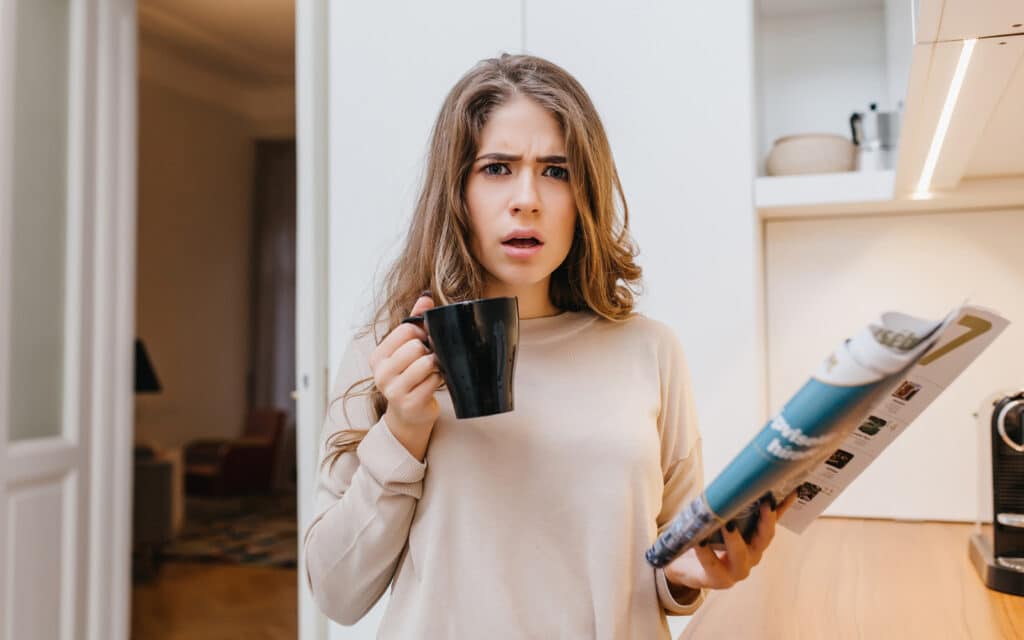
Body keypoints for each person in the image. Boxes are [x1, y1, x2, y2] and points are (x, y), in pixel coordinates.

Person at [303, 53, 793, 639]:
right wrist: (403, 430)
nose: (527, 198)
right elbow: (337, 592)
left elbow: (666, 559)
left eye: (556, 171)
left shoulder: (650, 351)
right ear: (455, 191)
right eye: (497, 168)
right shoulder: (390, 354)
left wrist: (690, 575)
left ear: (584, 196)